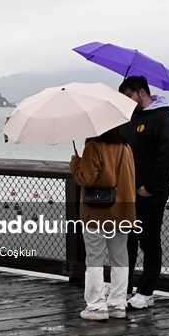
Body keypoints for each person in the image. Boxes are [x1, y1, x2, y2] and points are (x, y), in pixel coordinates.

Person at [118, 76, 169, 310]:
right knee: (128, 241)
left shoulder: (164, 119)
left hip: (150, 192)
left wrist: (152, 186)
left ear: (141, 92)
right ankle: (123, 287)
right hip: (128, 190)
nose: (128, 100)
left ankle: (146, 291)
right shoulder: (132, 118)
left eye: (129, 95)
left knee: (149, 241)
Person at [70, 126, 137, 320]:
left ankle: (96, 306)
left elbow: (85, 178)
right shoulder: (126, 147)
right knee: (120, 258)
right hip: (122, 210)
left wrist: (76, 163)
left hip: (97, 213)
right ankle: (117, 304)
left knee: (94, 259)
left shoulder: (93, 146)